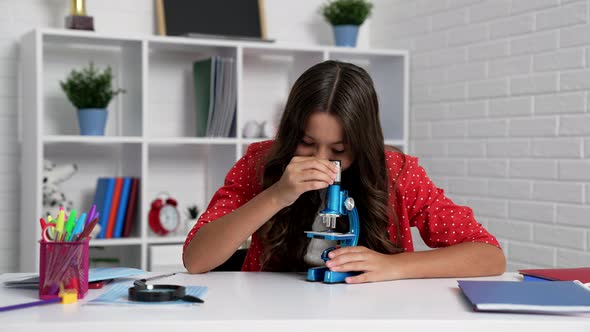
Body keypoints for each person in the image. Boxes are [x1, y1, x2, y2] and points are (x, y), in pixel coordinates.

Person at [183, 60, 506, 283]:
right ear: (291, 133)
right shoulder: (259, 162)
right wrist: (277, 195)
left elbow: (489, 255)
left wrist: (393, 266)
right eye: (307, 144)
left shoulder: (397, 172)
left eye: (339, 150)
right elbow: (196, 259)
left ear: (363, 142)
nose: (322, 161)